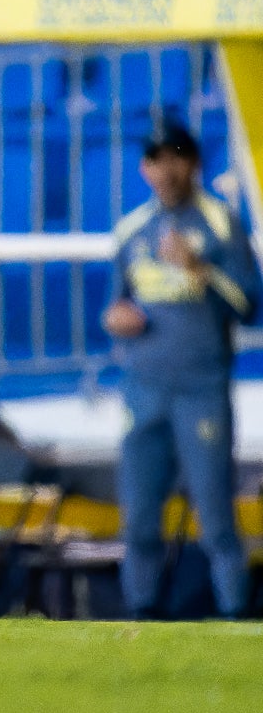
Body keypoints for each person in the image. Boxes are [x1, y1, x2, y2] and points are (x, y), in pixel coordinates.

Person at [101, 121, 260, 620]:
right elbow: (116, 305)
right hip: (143, 389)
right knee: (139, 518)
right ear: (144, 169)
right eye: (156, 160)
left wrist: (200, 270)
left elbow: (249, 305)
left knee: (215, 517)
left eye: (175, 158)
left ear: (193, 163)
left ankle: (237, 616)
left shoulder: (220, 224)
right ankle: (140, 617)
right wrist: (117, 319)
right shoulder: (132, 231)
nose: (166, 170)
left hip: (201, 389)